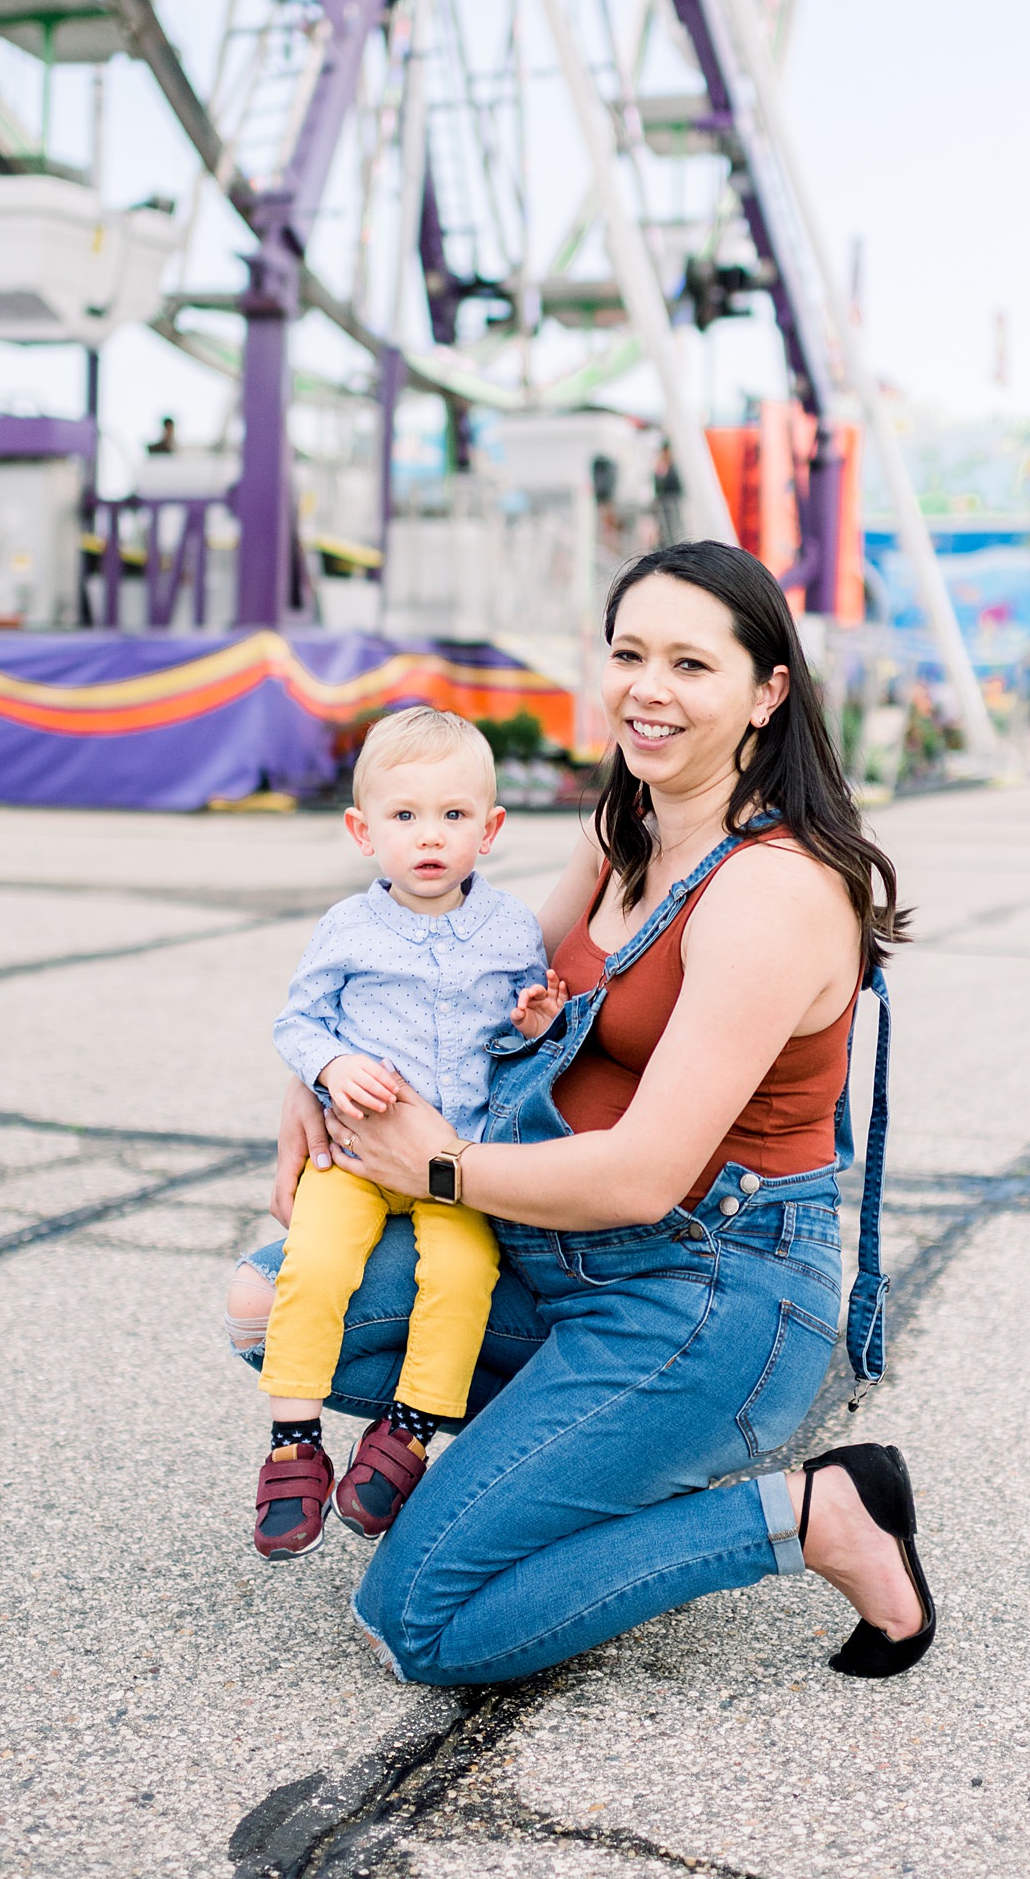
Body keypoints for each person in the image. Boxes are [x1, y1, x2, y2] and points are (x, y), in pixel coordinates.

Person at [226, 541, 934, 1686]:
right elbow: (464, 973)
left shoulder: (772, 893)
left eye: (691, 664)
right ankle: (599, 1450)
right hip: (558, 1253)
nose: (648, 689)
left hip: (706, 1291)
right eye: (629, 653)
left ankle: (814, 1512)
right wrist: (324, 1074)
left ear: (766, 693)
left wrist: (440, 1168)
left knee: (422, 1624)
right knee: (266, 1307)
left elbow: (643, 1177)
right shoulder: (627, 832)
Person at [249, 708, 550, 1560]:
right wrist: (331, 1068)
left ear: (489, 830)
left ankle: (408, 1431)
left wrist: (533, 1022)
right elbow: (299, 1023)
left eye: (454, 817)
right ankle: (293, 1441)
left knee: (463, 1273)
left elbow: (523, 1040)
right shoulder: (348, 929)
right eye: (405, 817)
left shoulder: (510, 929)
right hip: (354, 1155)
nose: (430, 837)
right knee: (314, 1266)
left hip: (457, 1161)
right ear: (362, 831)